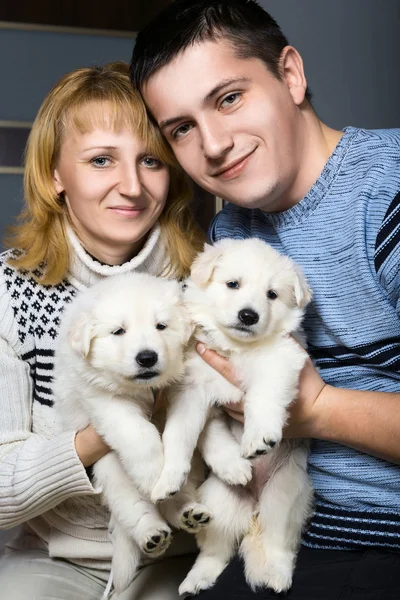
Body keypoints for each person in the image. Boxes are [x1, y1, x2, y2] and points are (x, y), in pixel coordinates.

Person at [130, 1, 400, 598]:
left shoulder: (388, 192)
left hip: (381, 539)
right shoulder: (231, 236)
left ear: (292, 75)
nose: (215, 144)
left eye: (229, 98)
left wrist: (321, 408)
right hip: (274, 527)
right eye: (182, 129)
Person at [0, 61, 204, 600]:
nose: (132, 186)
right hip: (53, 556)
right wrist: (101, 434)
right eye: (100, 160)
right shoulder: (9, 290)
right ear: (54, 176)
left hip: (190, 552)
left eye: (151, 161)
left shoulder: (208, 285)